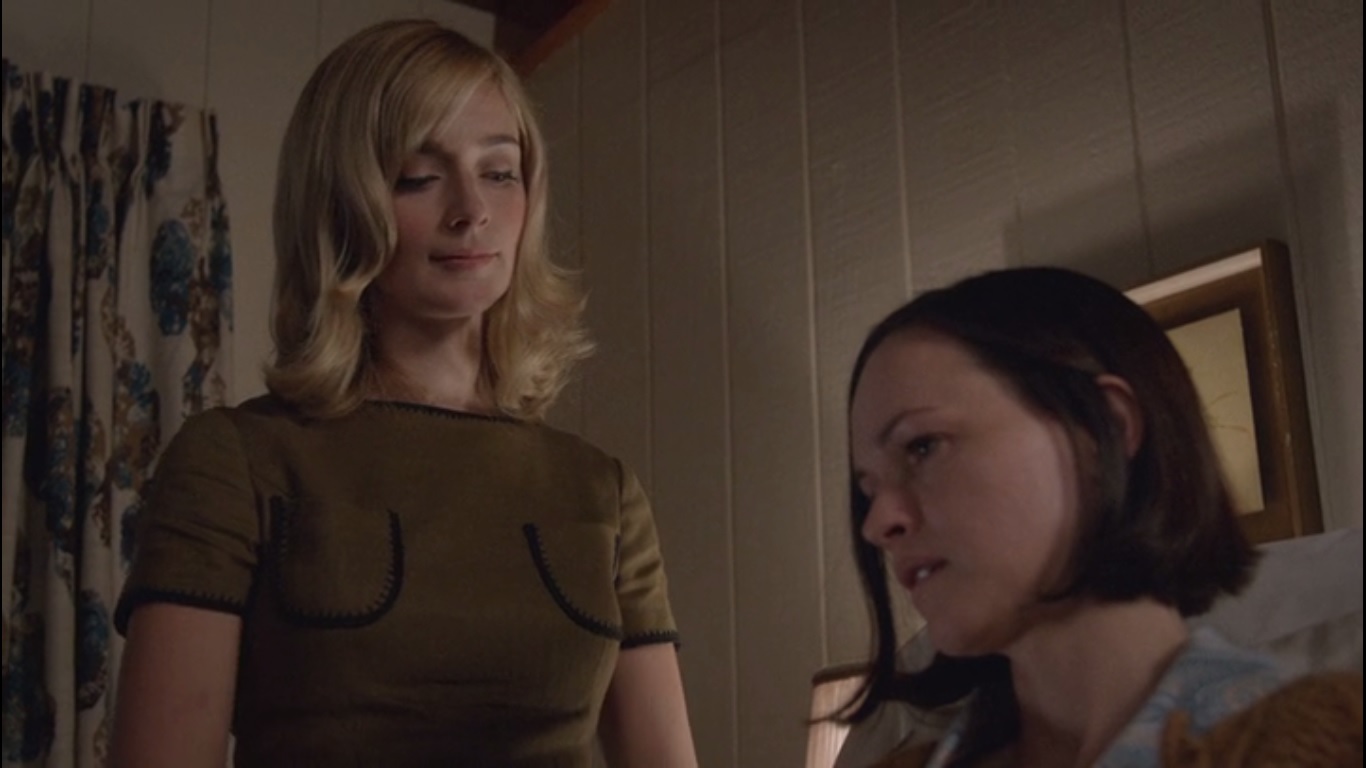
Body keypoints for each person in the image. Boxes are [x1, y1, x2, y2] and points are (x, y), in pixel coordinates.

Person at [109, 19, 697, 768]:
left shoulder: (602, 490)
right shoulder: (236, 460)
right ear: (340, 203)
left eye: (499, 172)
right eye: (419, 176)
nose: (471, 210)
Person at [839, 267, 1362, 767]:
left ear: (1103, 429)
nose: (877, 523)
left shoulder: (1324, 744)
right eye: (869, 490)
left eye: (922, 446)